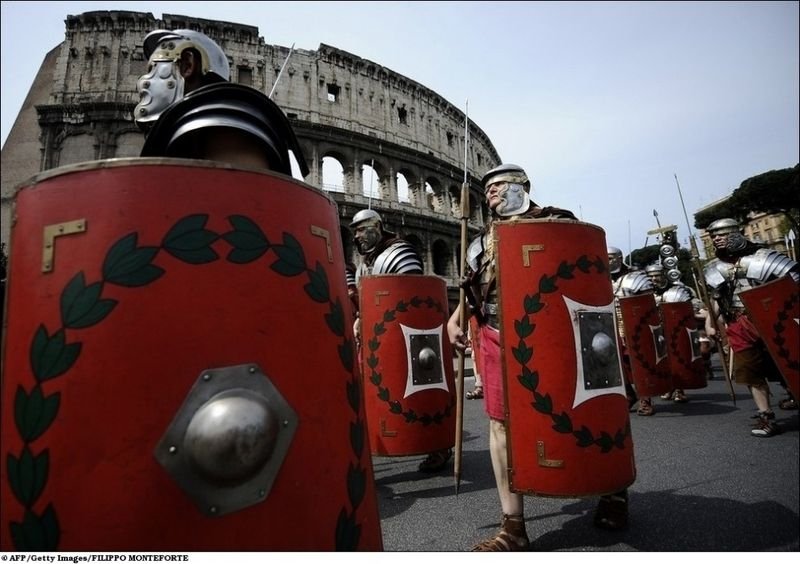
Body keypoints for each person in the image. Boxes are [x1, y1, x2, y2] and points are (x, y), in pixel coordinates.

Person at [447, 164, 629, 551]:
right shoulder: (479, 243)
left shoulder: (558, 223)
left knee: (585, 409)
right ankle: (513, 526)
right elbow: (475, 293)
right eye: (487, 190)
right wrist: (455, 318)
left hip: (556, 335)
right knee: (500, 426)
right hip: (497, 334)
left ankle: (612, 490)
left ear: (522, 187)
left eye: (499, 186)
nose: (492, 194)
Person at [350, 209, 453, 473]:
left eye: (362, 229)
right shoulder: (365, 263)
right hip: (375, 336)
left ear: (378, 226)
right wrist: (360, 319)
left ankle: (437, 445)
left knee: (418, 391)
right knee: (373, 389)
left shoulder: (400, 252)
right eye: (355, 230)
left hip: (403, 336)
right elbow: (365, 301)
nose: (358, 235)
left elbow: (410, 296)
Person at [134, 28, 308, 176]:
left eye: (153, 69)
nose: (142, 82)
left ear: (187, 65)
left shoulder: (226, 127)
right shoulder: (174, 132)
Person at [703, 218, 799, 437]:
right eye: (713, 236)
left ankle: (793, 393)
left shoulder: (765, 258)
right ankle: (766, 416)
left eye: (722, 234)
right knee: (750, 370)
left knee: (786, 361)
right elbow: (717, 299)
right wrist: (710, 323)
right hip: (738, 322)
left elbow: (793, 282)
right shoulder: (715, 268)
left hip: (772, 321)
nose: (716, 239)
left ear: (736, 233)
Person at [644, 262, 703, 403]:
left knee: (676, 358)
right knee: (661, 361)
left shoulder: (677, 289)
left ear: (664, 275)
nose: (653, 279)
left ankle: (679, 389)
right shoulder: (645, 291)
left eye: (656, 276)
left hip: (674, 329)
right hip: (655, 330)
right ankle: (668, 386)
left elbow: (695, 305)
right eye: (650, 277)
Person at [608, 246, 657, 415]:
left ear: (619, 258)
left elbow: (649, 305)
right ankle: (629, 395)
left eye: (609, 258)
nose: (606, 262)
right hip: (610, 326)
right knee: (617, 364)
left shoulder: (636, 277)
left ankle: (645, 398)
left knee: (638, 362)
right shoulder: (598, 279)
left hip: (634, 325)